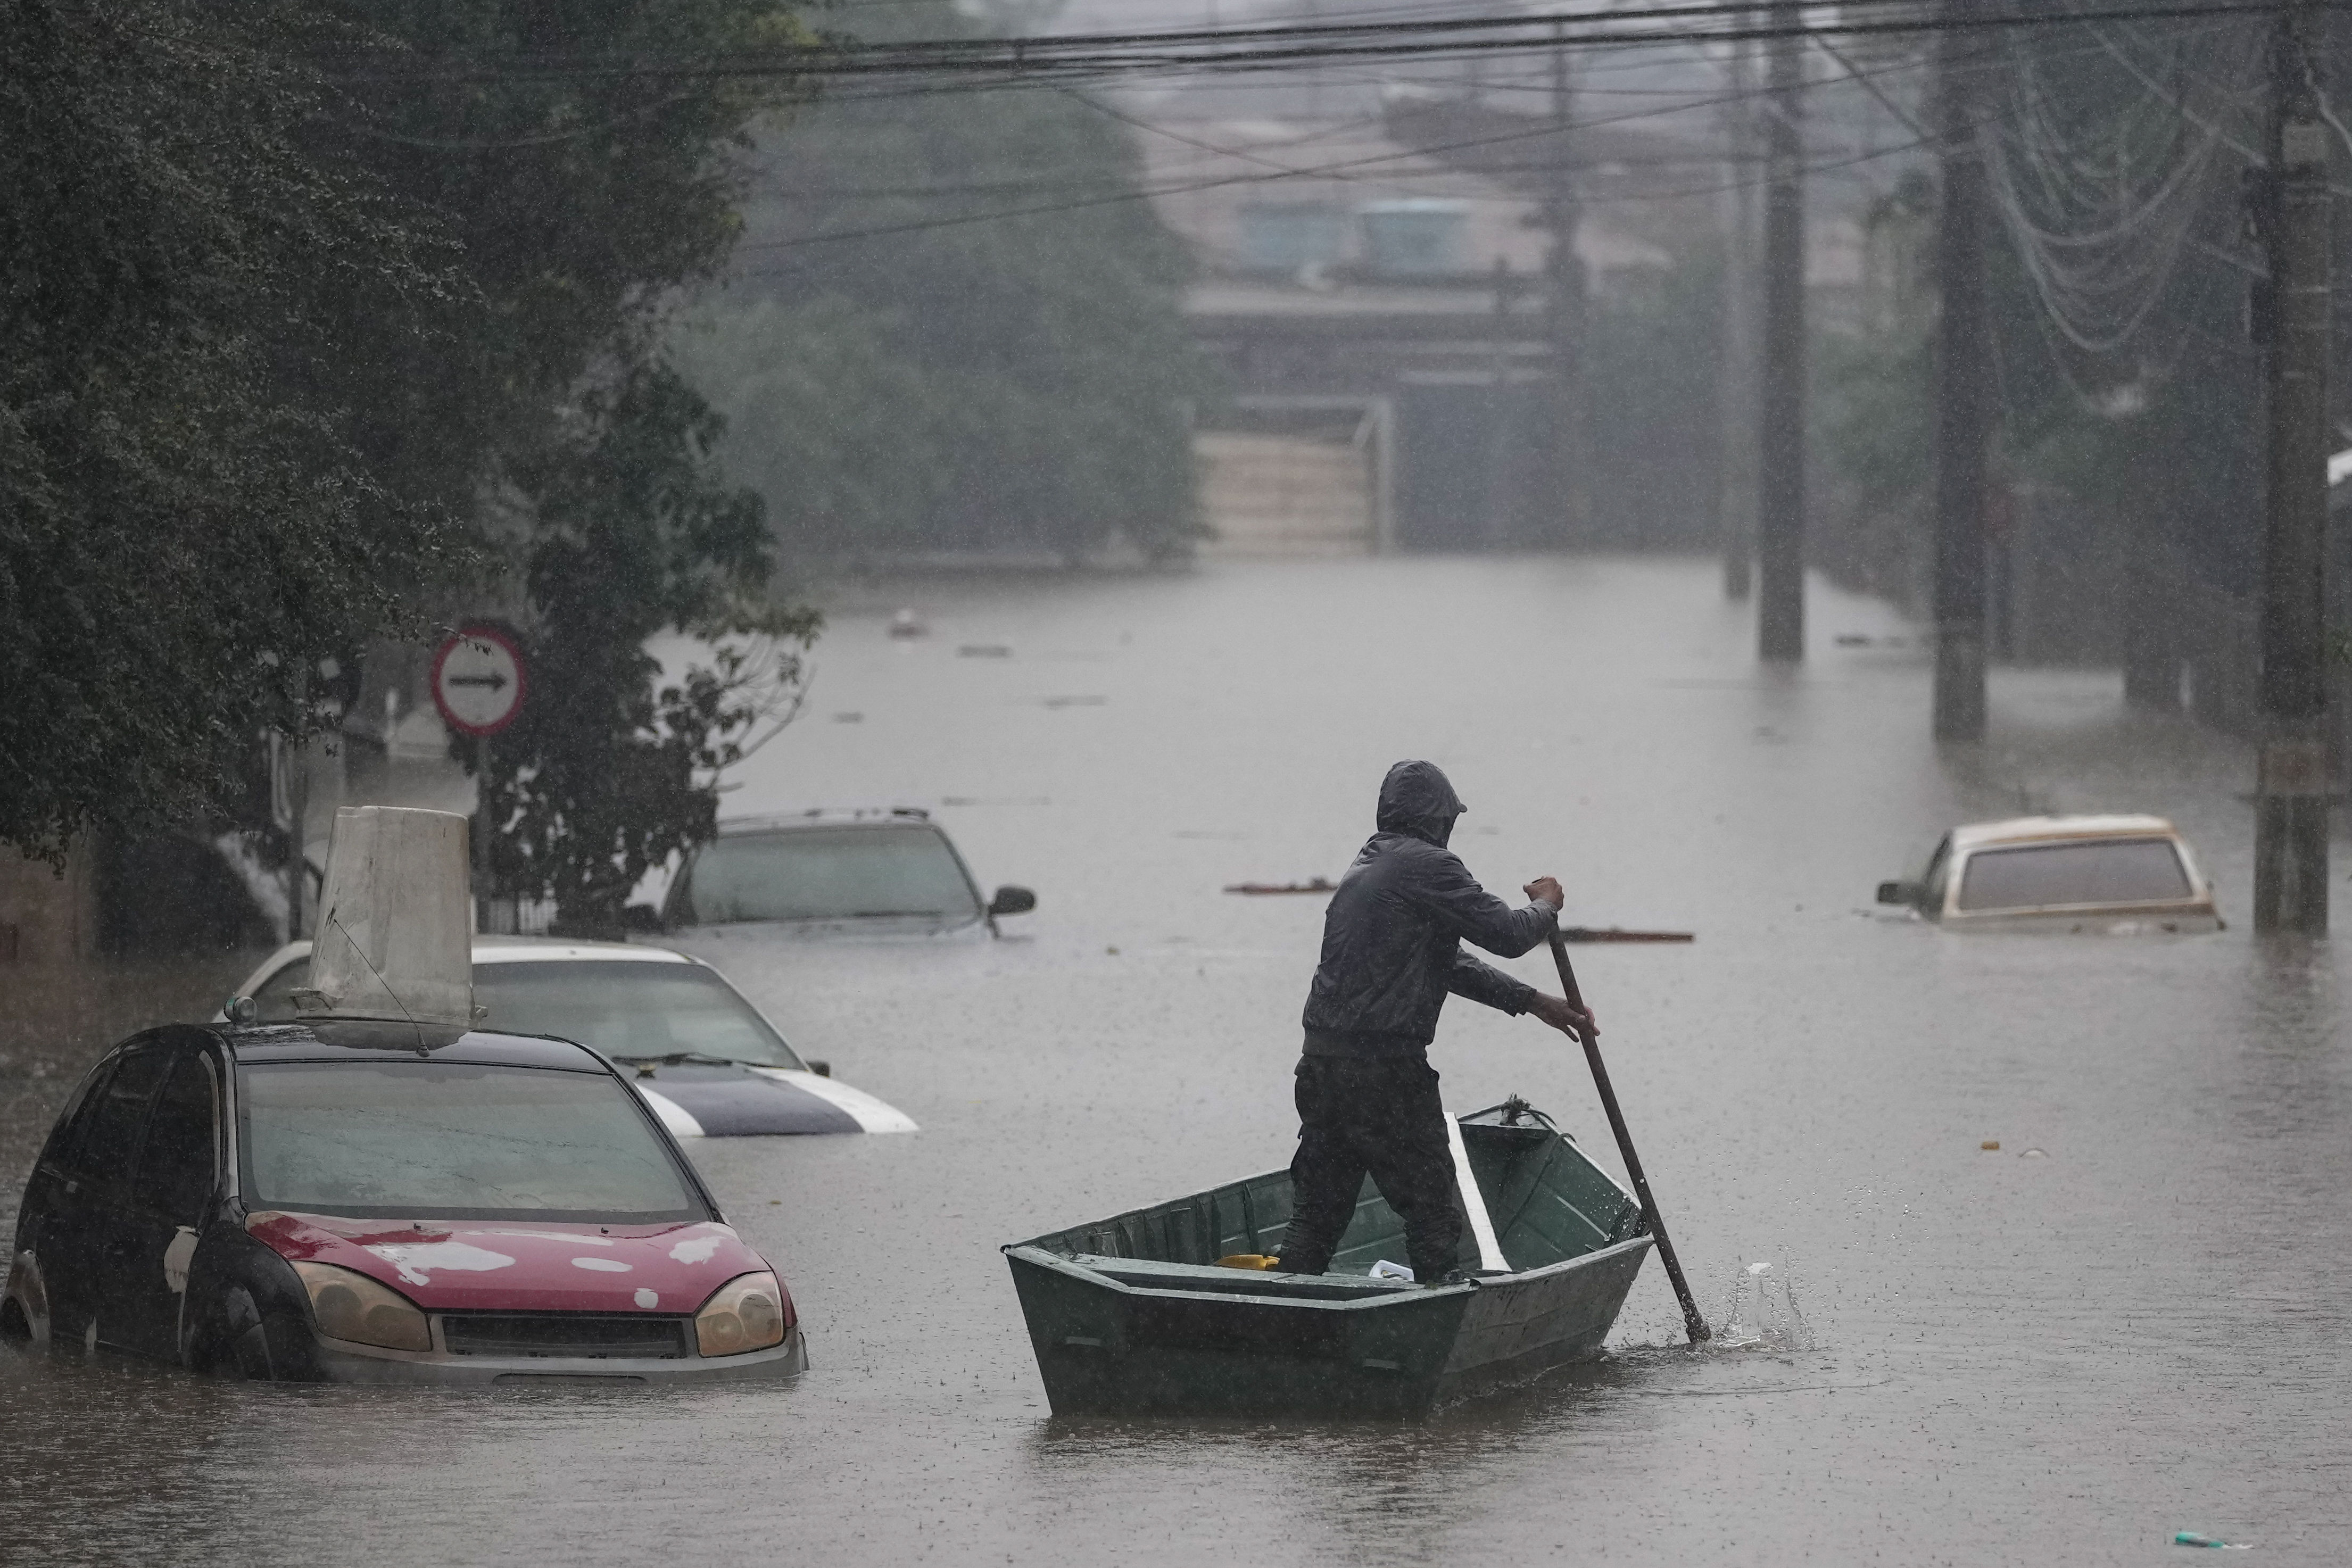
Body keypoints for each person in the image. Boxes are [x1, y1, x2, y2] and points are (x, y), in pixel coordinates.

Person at [1273, 760, 1593, 1284]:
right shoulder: (1429, 866)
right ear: (1437, 818)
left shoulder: (1368, 866)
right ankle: (1438, 1317)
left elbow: (1444, 962)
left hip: (1324, 1068)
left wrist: (1534, 1001)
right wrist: (1546, 907)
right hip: (1384, 1073)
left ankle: (1278, 1323)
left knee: (1315, 1220)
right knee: (1431, 1213)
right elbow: (1511, 935)